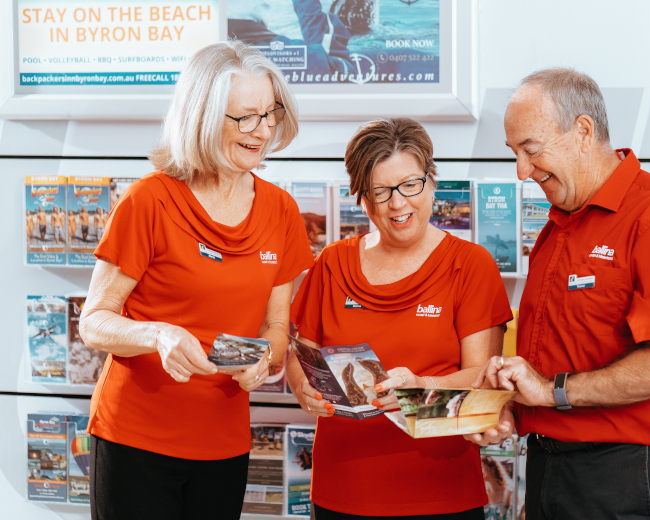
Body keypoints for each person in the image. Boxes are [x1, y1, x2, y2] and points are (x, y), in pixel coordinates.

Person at [78, 40, 312, 520]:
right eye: (244, 117)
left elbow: (276, 326)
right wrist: (157, 333)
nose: (262, 130)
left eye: (270, 113)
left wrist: (267, 356)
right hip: (135, 438)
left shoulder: (281, 210)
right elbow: (94, 322)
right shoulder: (149, 200)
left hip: (223, 444)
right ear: (202, 117)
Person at [468, 68, 650, 520]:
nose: (522, 171)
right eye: (514, 153)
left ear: (582, 131)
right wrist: (512, 413)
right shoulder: (560, 223)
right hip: (552, 467)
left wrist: (550, 392)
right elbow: (563, 354)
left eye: (531, 149)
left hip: (625, 474)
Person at [288, 117, 514, 519]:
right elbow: (300, 355)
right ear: (361, 198)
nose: (398, 203)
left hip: (441, 491)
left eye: (410, 185)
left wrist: (420, 386)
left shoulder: (470, 264)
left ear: (431, 182)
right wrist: (304, 387)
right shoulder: (332, 262)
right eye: (381, 191)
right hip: (342, 489)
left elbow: (482, 376)